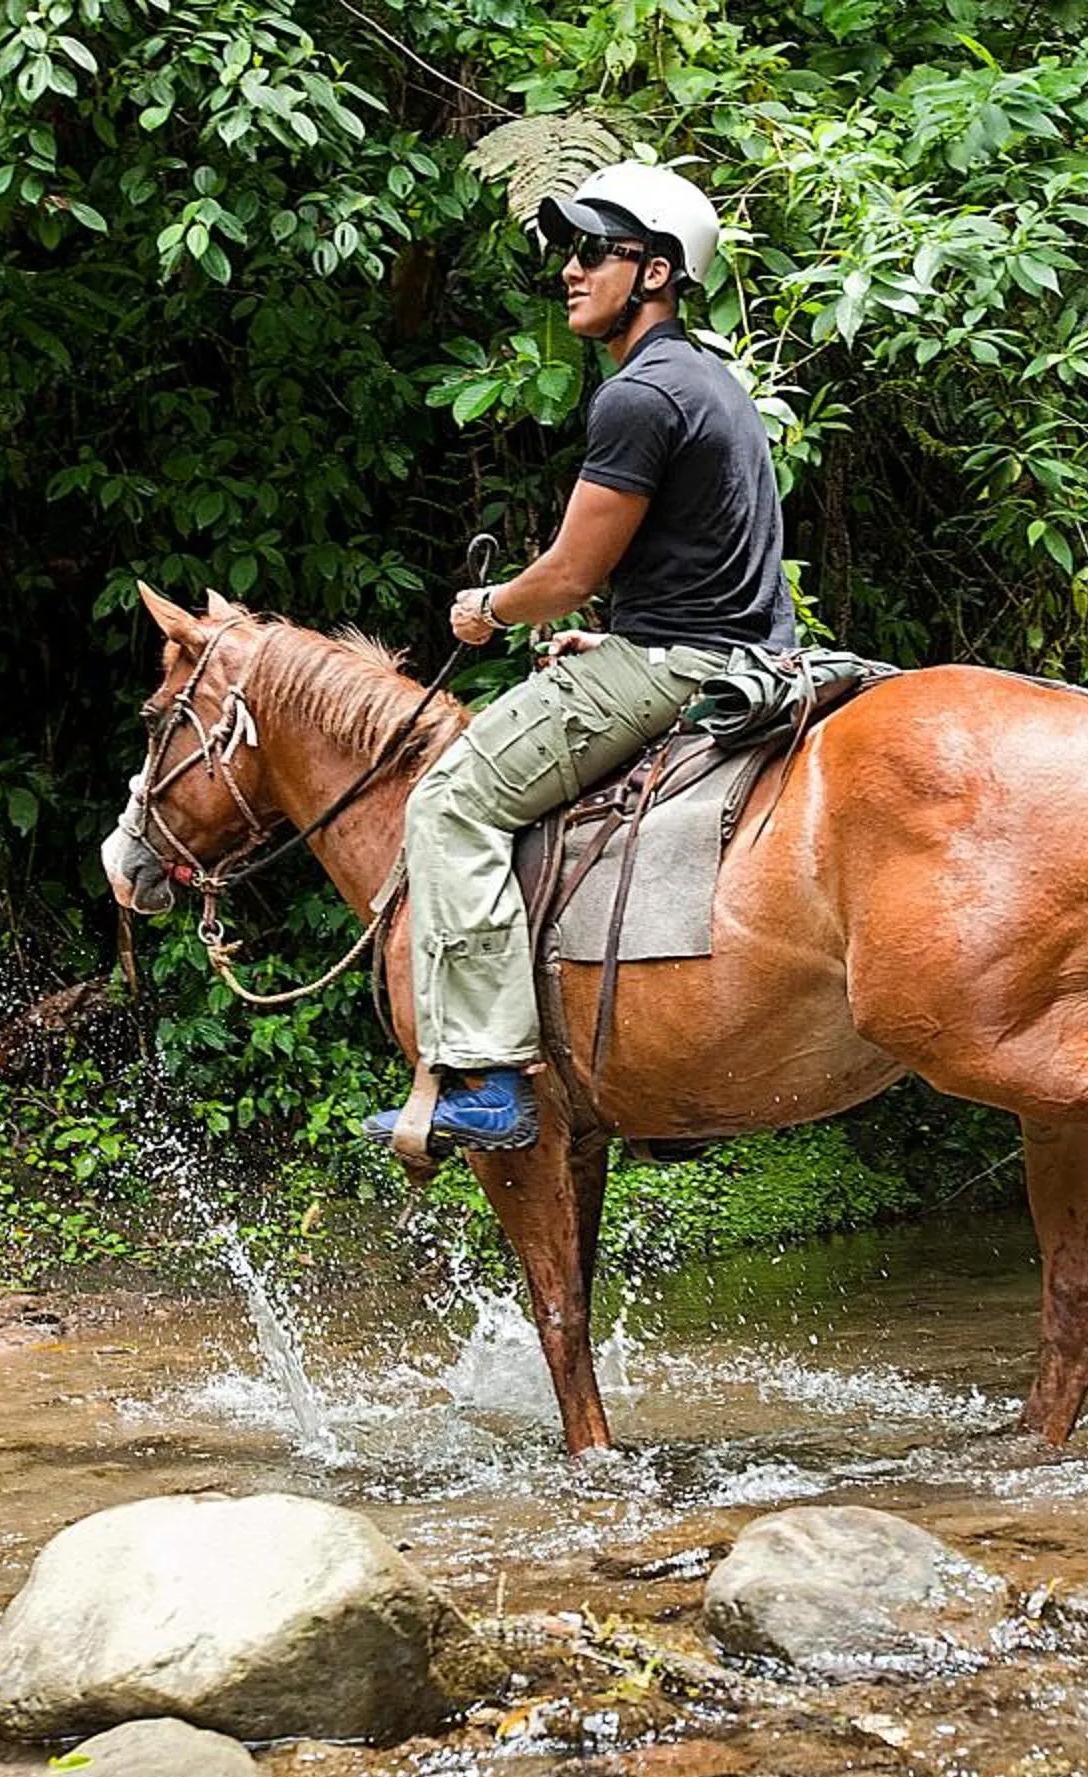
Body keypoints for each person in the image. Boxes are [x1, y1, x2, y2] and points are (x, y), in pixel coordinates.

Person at [371, 162, 798, 1155]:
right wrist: (611, 636)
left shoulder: (638, 397)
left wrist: (488, 606)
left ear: (653, 271)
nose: (570, 270)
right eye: (571, 251)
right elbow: (703, 567)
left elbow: (565, 573)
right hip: (739, 654)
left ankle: (488, 1076)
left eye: (592, 252)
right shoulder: (711, 383)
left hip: (673, 667)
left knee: (448, 801)